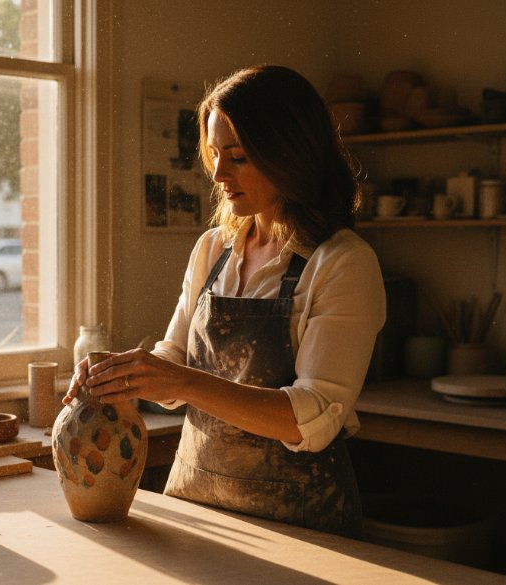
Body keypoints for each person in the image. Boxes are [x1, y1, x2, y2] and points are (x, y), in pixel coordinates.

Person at [65, 65, 386, 537]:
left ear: (289, 155)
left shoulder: (342, 262)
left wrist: (183, 381)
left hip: (300, 523)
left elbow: (312, 417)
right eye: (214, 154)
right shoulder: (213, 249)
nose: (218, 174)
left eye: (238, 157)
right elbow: (174, 360)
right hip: (199, 506)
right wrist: (126, 374)